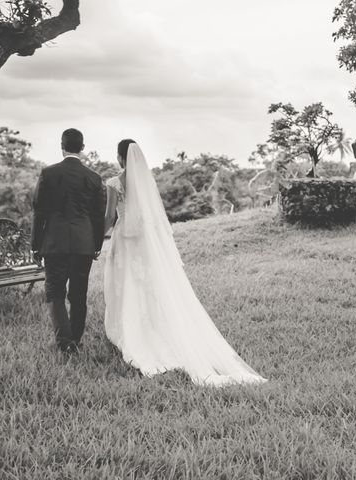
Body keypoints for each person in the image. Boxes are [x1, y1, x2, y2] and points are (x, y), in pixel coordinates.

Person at [103, 139, 266, 387]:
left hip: (125, 239)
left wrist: (98, 236)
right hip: (146, 242)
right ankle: (154, 326)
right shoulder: (146, 181)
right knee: (148, 284)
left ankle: (134, 332)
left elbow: (108, 216)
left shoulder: (114, 183)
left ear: (119, 157)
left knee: (127, 284)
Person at [31, 128, 105, 352]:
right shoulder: (93, 177)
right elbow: (97, 216)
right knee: (78, 293)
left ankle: (65, 343)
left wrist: (36, 245)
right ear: (82, 148)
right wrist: (97, 245)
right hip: (83, 244)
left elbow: (39, 212)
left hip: (54, 244)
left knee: (54, 292)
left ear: (61, 146)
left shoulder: (48, 174)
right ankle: (75, 338)